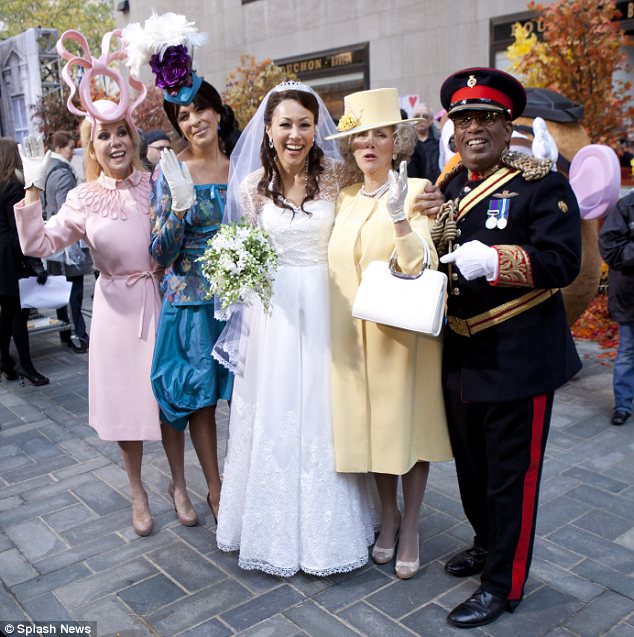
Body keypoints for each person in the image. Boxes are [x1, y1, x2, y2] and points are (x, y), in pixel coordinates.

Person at [14, 27, 190, 536]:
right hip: (115, 311)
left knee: (170, 400)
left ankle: (179, 485)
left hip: (162, 302)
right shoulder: (84, 197)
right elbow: (39, 245)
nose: (114, 142)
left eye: (121, 132)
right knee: (125, 409)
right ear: (92, 144)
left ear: (134, 137)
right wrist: (31, 185)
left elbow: (179, 234)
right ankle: (137, 492)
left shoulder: (156, 183)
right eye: (104, 135)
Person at [435, 68, 582, 628]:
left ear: (506, 126)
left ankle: (504, 583)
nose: (475, 128)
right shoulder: (449, 186)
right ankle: (485, 542)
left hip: (520, 356)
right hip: (464, 354)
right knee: (473, 470)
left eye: (487, 118)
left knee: (510, 478)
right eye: (464, 118)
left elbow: (564, 263)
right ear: (452, 129)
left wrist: (498, 261)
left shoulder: (542, 183)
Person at [215, 81, 378, 577]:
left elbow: (376, 197)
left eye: (304, 124)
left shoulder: (337, 175)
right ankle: (270, 530)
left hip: (327, 309)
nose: (295, 133)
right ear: (267, 129)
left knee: (324, 412)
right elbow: (245, 251)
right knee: (274, 412)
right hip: (273, 320)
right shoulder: (249, 188)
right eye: (285, 123)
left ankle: (335, 529)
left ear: (316, 129)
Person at [326, 88, 452, 580]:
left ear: (397, 141)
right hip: (350, 336)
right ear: (351, 147)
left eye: (381, 134)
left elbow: (420, 262)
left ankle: (414, 523)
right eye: (361, 137)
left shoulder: (417, 187)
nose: (370, 144)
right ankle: (389, 516)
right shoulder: (345, 197)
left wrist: (400, 214)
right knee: (370, 428)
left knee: (408, 427)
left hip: (400, 336)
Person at [124, 17, 237, 525]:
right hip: (190, 303)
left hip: (237, 300)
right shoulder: (169, 172)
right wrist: (179, 211)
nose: (193, 121)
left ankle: (229, 483)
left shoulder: (242, 166)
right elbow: (158, 251)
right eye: (183, 115)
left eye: (200, 110)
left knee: (237, 400)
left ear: (216, 110)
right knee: (198, 402)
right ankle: (214, 489)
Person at [0, 137, 49, 386]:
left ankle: (7, 363)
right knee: (18, 314)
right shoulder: (13, 187)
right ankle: (26, 366)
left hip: (3, 260)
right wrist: (34, 263)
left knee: (7, 314)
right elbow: (21, 230)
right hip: (10, 260)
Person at [43, 130, 92, 353]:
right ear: (61, 147)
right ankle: (78, 336)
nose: (73, 152)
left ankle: (67, 334)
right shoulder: (62, 172)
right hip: (67, 244)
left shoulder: (47, 169)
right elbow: (68, 211)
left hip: (55, 241)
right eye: (71, 147)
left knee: (62, 291)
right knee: (74, 292)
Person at [599, 191, 634, 426]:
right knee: (627, 351)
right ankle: (623, 404)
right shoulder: (626, 206)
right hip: (630, 294)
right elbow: (610, 249)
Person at [407, 102, 441, 183]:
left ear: (431, 120)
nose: (421, 119)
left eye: (425, 116)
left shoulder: (439, 143)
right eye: (417, 116)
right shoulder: (407, 145)